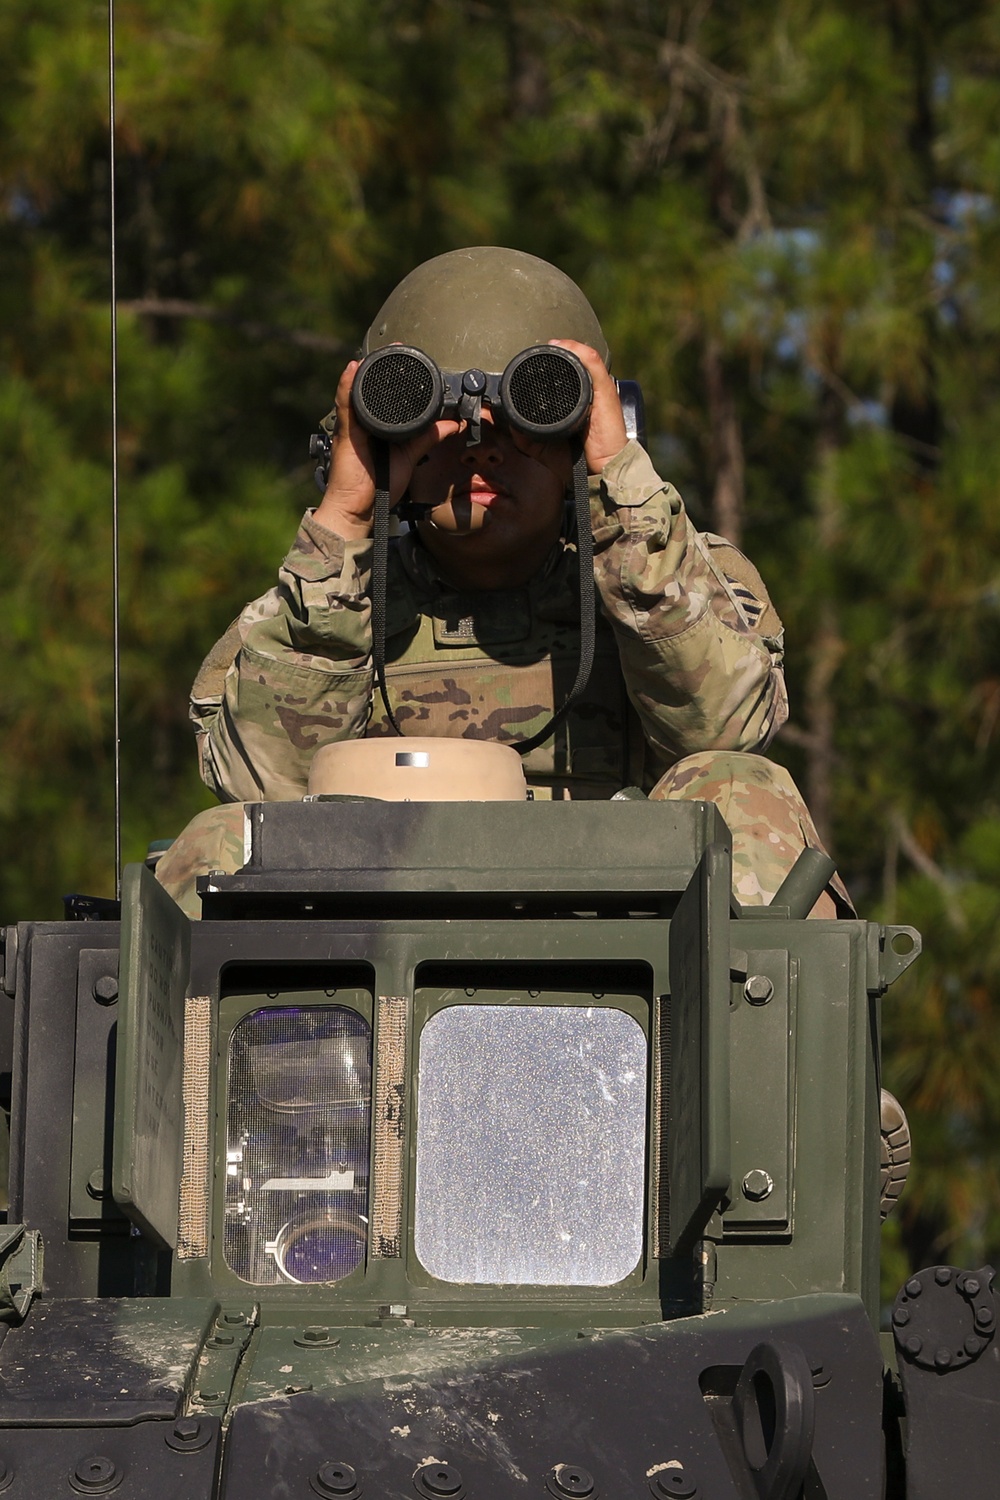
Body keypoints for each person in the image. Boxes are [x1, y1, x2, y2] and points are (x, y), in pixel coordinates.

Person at [156, 246, 845, 921]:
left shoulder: (670, 568)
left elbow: (724, 730)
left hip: (624, 947)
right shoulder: (331, 597)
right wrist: (344, 519)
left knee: (743, 791)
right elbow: (260, 790)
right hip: (368, 961)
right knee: (223, 843)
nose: (481, 444)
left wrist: (620, 487)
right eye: (434, 417)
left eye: (533, 411)